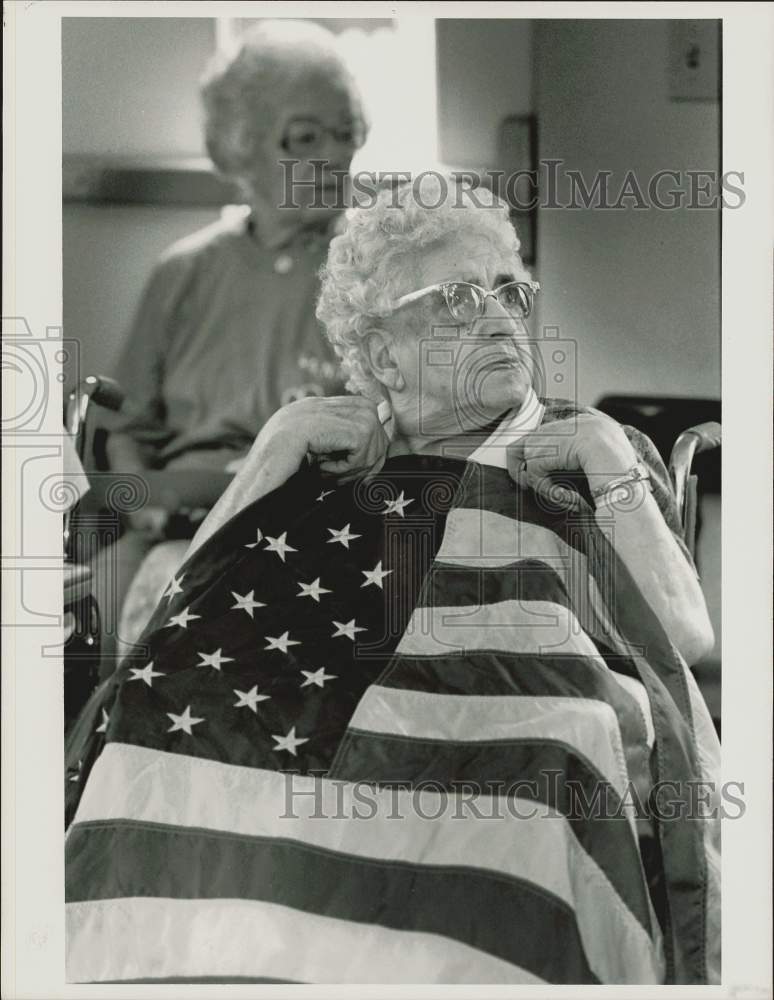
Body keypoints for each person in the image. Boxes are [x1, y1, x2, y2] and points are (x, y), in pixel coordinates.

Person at [66, 179, 720, 985]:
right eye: (455, 297)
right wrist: (274, 448)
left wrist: (612, 462)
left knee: (542, 754)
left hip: (529, 712)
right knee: (155, 711)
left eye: (508, 292)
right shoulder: (322, 447)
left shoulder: (588, 444)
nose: (498, 315)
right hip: (291, 714)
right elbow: (180, 623)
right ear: (381, 354)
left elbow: (685, 637)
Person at [90, 20, 367, 670]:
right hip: (180, 517)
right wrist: (144, 503)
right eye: (304, 137)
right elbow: (126, 428)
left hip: (313, 522)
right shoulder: (182, 272)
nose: (335, 155)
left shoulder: (375, 267)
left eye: (346, 131)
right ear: (240, 150)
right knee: (97, 607)